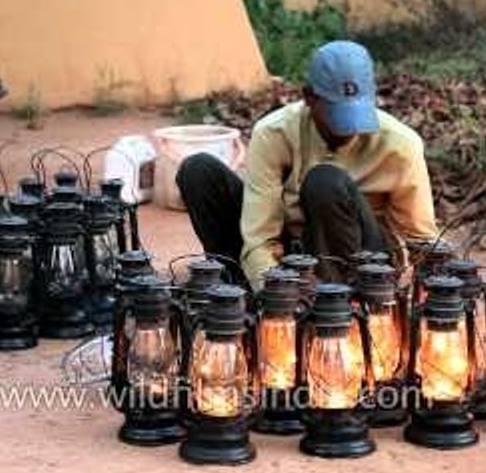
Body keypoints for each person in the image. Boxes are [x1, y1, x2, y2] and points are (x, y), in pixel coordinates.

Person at [176, 40, 439, 290]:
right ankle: (239, 291)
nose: (348, 127)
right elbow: (259, 236)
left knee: (325, 182)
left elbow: (421, 237)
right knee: (198, 171)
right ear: (309, 97)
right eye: (336, 111)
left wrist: (440, 281)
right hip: (295, 249)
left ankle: (337, 299)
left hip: (364, 260)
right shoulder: (274, 133)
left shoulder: (401, 145)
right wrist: (273, 286)